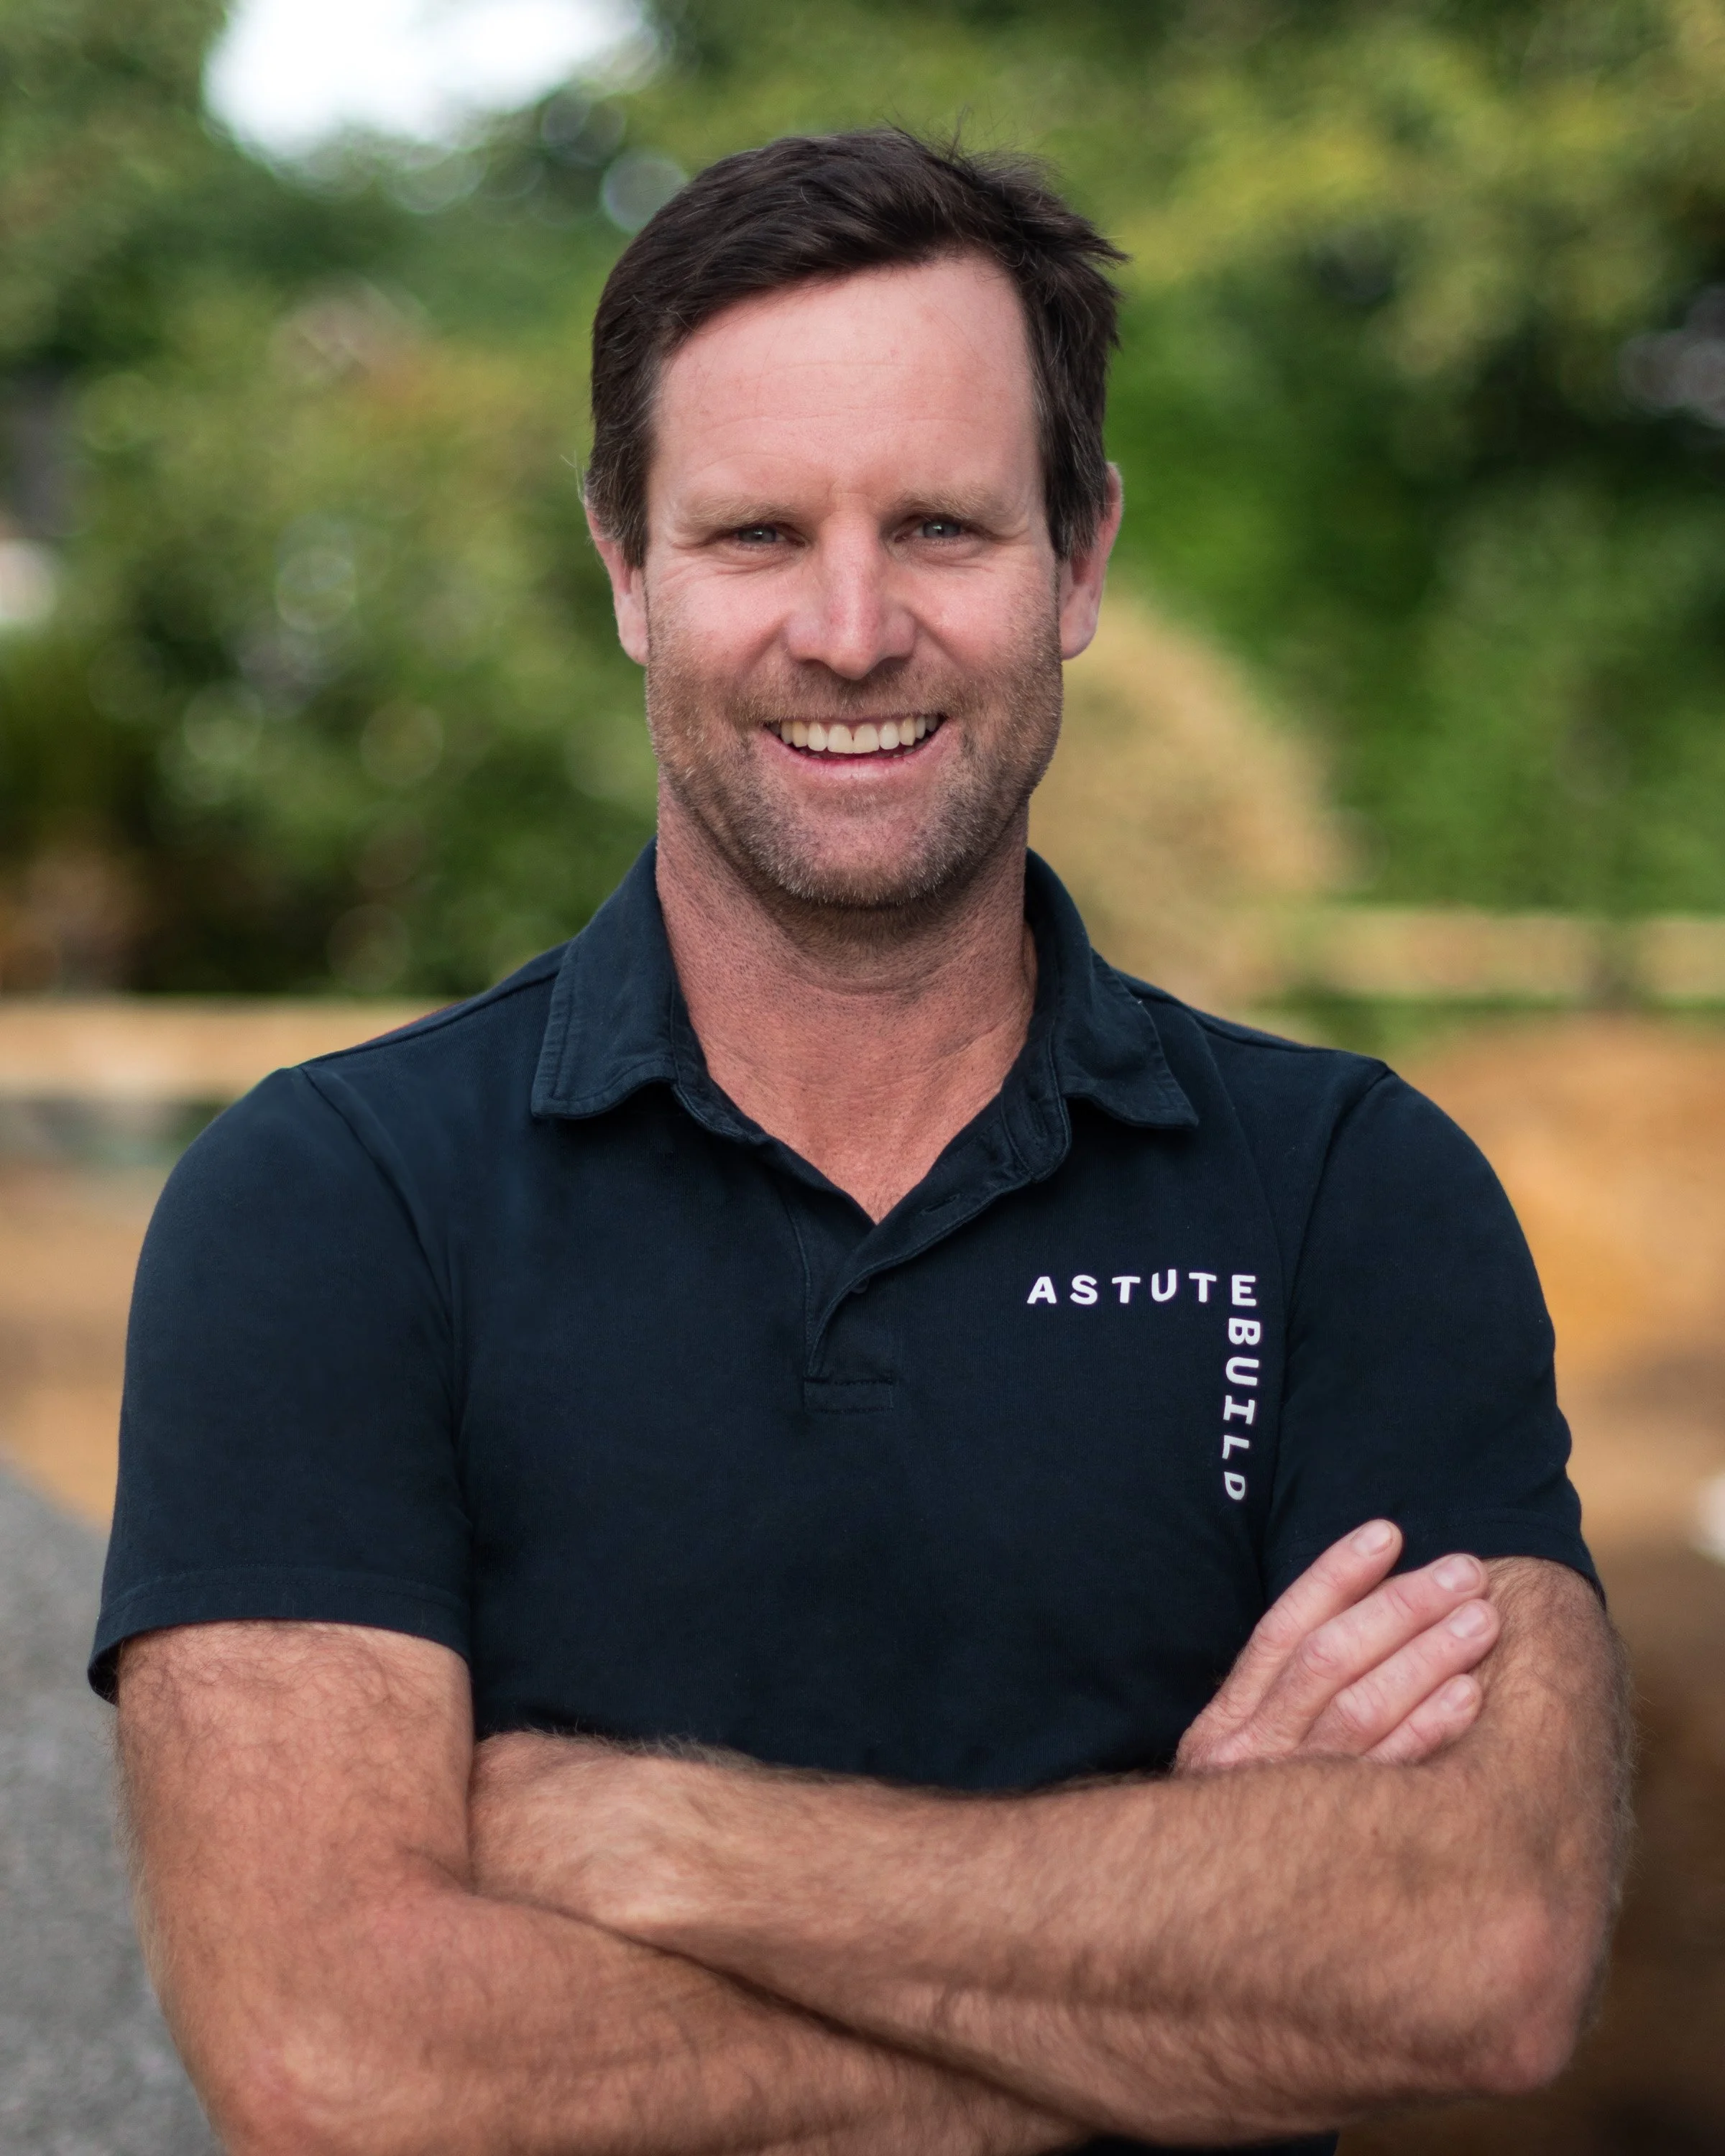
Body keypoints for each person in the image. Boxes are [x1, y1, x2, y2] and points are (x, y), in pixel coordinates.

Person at [97, 131, 1627, 2156]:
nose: (847, 629)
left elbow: (1487, 1957)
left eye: (938, 527)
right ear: (626, 572)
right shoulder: (328, 1208)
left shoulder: (1349, 1190)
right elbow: (338, 2060)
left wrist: (642, 1835)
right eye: (752, 537)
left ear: (1077, 558)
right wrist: (1173, 1952)